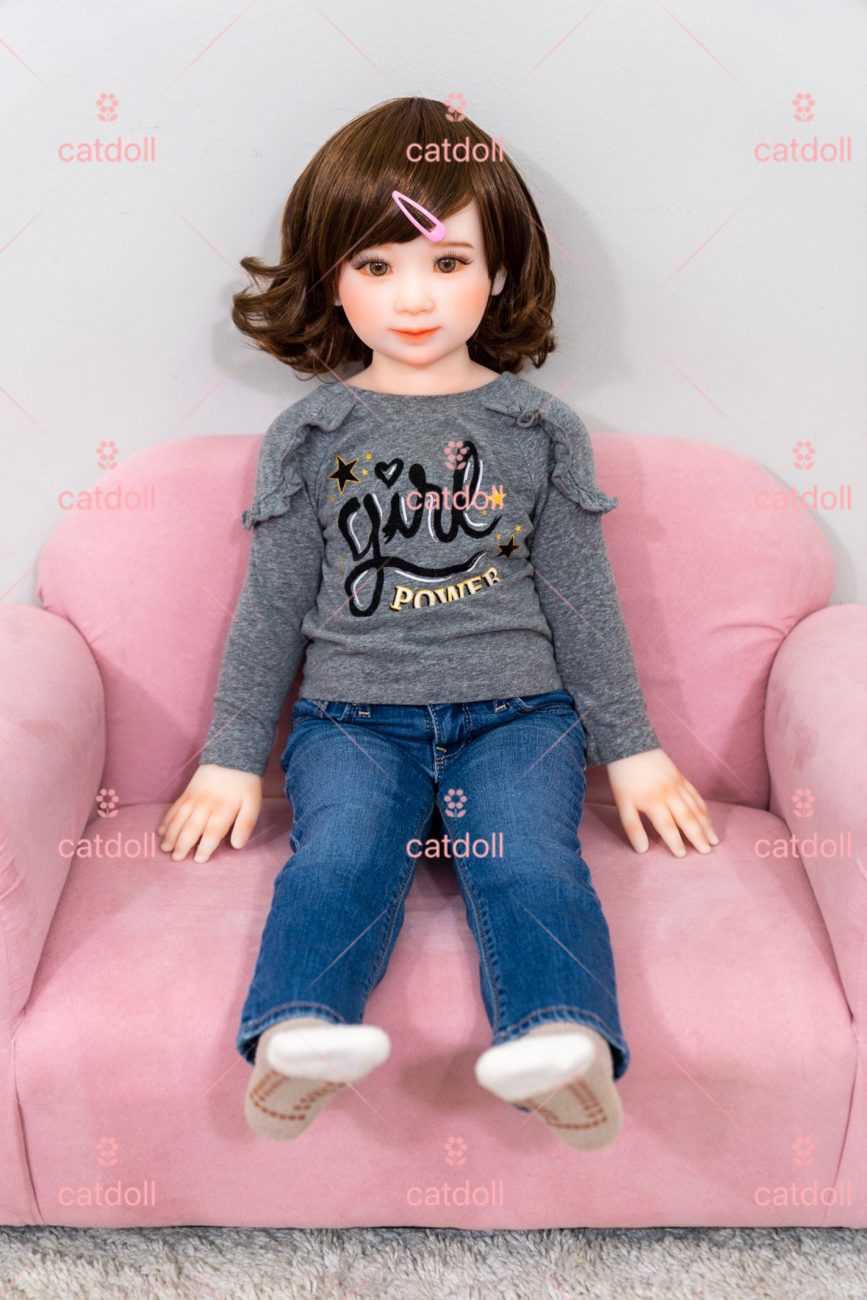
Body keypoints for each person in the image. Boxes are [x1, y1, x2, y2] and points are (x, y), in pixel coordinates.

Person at [157, 96, 719, 1151]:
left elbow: (582, 600)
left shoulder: (535, 429)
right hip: (351, 722)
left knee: (532, 864)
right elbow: (272, 606)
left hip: (520, 719)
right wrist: (230, 757)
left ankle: (564, 1046)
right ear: (331, 278)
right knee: (339, 859)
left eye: (447, 262)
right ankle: (296, 1041)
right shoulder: (313, 433)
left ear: (499, 271)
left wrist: (633, 748)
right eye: (375, 266)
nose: (413, 298)